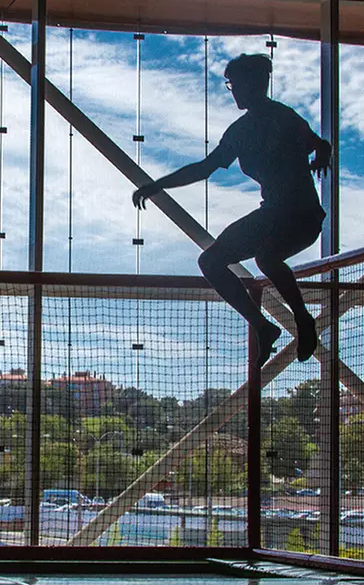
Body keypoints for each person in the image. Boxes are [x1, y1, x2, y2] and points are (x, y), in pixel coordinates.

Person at [133, 53, 332, 369]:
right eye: (230, 86)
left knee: (263, 258)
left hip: (301, 214)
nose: (233, 91)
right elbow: (205, 167)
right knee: (213, 260)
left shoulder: (281, 119)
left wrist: (321, 155)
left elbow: (319, 144)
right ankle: (267, 326)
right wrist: (158, 185)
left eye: (235, 85)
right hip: (275, 213)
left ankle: (300, 321)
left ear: (256, 83)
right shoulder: (245, 130)